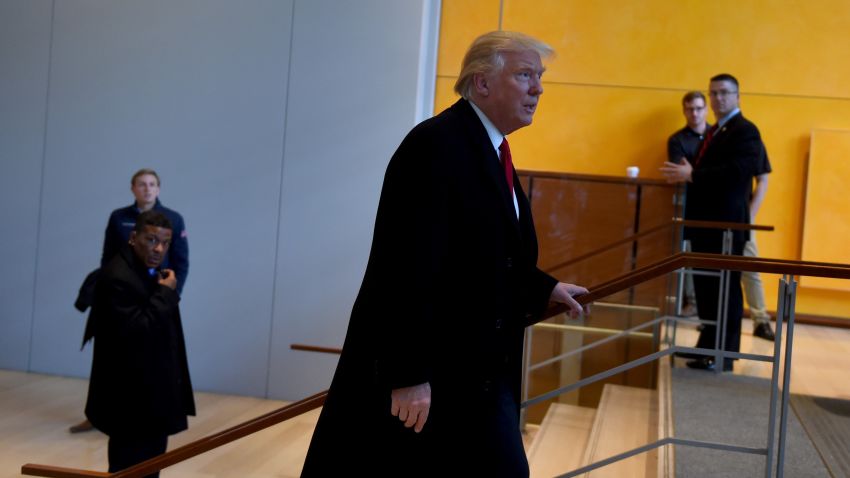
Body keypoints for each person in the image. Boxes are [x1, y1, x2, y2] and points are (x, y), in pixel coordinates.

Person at [301, 31, 589, 477]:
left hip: (475, 374)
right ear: (482, 83)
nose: (538, 88)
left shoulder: (489, 150)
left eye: (539, 77)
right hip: (435, 377)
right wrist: (408, 375)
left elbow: (484, 254)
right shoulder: (436, 145)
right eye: (525, 75)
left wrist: (544, 286)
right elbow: (405, 266)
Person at [70, 168, 190, 434]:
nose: (147, 189)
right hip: (124, 296)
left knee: (156, 361)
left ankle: (147, 416)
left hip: (158, 297)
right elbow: (108, 257)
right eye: (142, 184)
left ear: (159, 189)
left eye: (152, 184)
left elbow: (181, 263)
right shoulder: (119, 218)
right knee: (113, 358)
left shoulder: (173, 219)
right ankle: (101, 413)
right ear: (133, 188)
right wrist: (109, 289)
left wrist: (170, 295)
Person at [661, 73, 764, 371]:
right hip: (707, 224)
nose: (718, 98)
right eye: (714, 93)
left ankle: (723, 355)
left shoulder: (745, 130)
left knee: (725, 291)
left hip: (727, 226)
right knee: (706, 288)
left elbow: (738, 172)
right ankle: (707, 346)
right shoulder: (716, 130)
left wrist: (692, 174)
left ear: (737, 96)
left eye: (724, 93)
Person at [83, 210, 195, 477]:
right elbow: (137, 330)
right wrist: (166, 293)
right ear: (134, 238)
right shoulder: (117, 276)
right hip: (130, 402)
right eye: (151, 239)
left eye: (165, 242)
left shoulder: (149, 271)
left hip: (149, 399)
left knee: (150, 469)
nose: (158, 248)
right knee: (128, 469)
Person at [667, 91, 710, 317]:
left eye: (699, 108)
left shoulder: (717, 136)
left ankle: (760, 317)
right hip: (690, 206)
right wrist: (702, 175)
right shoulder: (677, 139)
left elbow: (718, 175)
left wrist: (694, 173)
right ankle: (692, 304)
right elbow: (678, 173)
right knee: (690, 256)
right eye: (690, 108)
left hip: (718, 208)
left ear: (706, 109)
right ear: (684, 111)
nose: (695, 113)